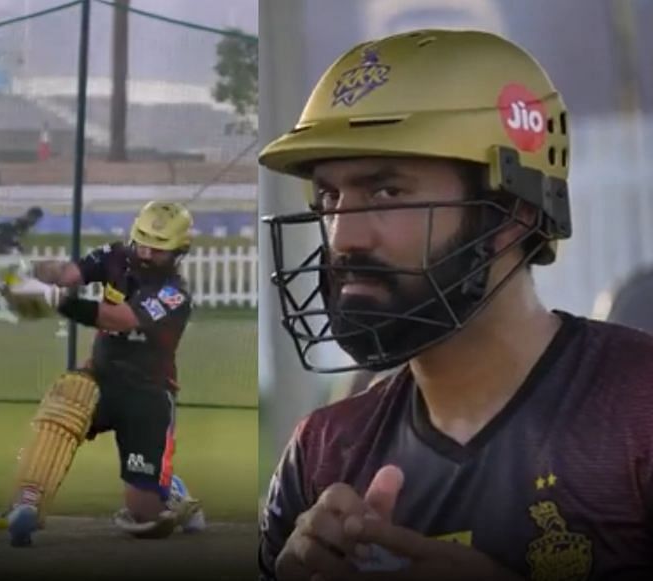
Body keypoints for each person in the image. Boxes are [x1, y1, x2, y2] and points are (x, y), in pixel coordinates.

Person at [257, 30, 653, 580]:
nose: (343, 235)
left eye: (387, 192)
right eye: (329, 197)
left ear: (513, 213)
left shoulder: (640, 406)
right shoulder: (324, 451)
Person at [4, 200, 205, 547]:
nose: (144, 253)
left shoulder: (175, 295)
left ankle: (168, 488)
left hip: (148, 395)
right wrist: (26, 270)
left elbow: (120, 318)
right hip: (100, 377)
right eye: (140, 242)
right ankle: (27, 502)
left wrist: (56, 301)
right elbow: (67, 273)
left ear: (179, 251)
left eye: (157, 250)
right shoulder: (115, 256)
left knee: (143, 515)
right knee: (60, 409)